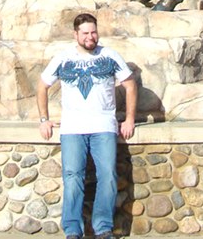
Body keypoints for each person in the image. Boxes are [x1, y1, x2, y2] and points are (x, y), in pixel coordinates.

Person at [37, 13, 137, 239]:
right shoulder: (64, 58)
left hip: (103, 126)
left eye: (93, 32)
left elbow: (130, 85)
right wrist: (44, 120)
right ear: (76, 35)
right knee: (72, 177)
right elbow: (42, 86)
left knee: (108, 176)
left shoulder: (109, 56)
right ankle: (72, 230)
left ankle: (103, 228)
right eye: (85, 33)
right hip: (73, 128)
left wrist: (129, 118)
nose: (90, 36)